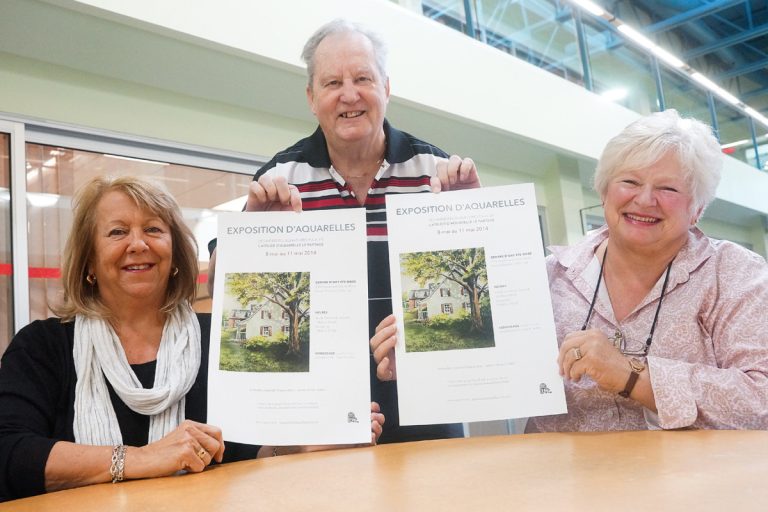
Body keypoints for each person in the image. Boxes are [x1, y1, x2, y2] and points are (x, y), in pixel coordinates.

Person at [374, 109, 768, 431]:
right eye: (629, 181)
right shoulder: (547, 275)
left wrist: (634, 376)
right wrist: (419, 361)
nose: (645, 200)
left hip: (693, 488)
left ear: (697, 208)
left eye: (668, 189)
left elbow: (761, 398)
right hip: (560, 485)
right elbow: (497, 364)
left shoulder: (734, 275)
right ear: (603, 189)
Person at [0, 176, 384, 502]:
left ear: (176, 255)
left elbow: (247, 453)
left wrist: (304, 443)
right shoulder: (42, 348)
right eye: (118, 231)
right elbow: (9, 454)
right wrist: (142, 459)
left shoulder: (219, 338)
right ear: (88, 263)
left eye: (153, 229)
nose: (138, 244)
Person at [208, 19, 481, 444]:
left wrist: (471, 215)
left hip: (428, 402)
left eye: (363, 78)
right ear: (311, 98)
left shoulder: (434, 170)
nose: (349, 94)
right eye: (332, 82)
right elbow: (223, 284)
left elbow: (483, 287)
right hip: (320, 413)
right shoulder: (282, 176)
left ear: (386, 88)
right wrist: (253, 234)